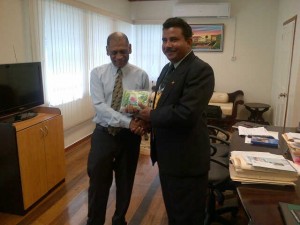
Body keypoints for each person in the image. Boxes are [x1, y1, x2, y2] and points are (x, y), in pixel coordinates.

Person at [130, 17, 215, 224]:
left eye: (174, 39)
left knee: (187, 216)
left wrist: (151, 116)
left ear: (189, 41)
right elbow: (163, 106)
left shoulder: (200, 70)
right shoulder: (168, 69)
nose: (168, 45)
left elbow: (186, 113)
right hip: (169, 158)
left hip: (187, 161)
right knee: (175, 212)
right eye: (164, 40)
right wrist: (148, 122)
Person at [87, 32, 149, 225]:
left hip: (129, 137)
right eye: (114, 52)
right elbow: (100, 106)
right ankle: (95, 221)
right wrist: (128, 121)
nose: (119, 56)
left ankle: (119, 220)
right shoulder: (97, 74)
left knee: (125, 182)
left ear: (130, 48)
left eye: (123, 51)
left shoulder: (141, 75)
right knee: (98, 183)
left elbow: (142, 108)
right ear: (107, 51)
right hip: (103, 134)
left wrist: (141, 123)